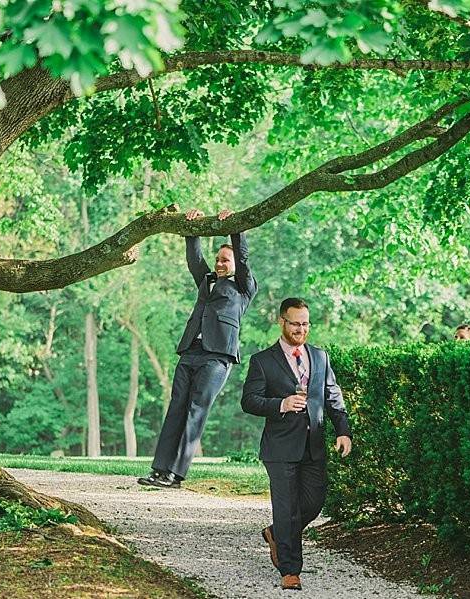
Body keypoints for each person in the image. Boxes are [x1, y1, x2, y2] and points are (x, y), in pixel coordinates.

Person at [137, 208, 257, 489]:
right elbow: (194, 261)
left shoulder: (244, 287)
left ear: (235, 264)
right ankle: (159, 469)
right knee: (176, 408)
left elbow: (242, 256)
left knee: (195, 410)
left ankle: (175, 475)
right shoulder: (206, 280)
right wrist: (192, 230)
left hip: (217, 358)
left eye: (225, 260)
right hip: (190, 350)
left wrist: (235, 228)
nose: (219, 263)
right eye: (218, 259)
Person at [241, 297, 352, 591]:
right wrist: (282, 404)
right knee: (287, 506)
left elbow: (333, 397)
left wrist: (343, 431)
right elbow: (249, 401)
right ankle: (290, 570)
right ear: (282, 322)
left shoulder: (320, 357)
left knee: (314, 503)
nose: (300, 329)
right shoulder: (262, 361)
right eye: (295, 323)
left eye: (305, 324)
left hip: (313, 445)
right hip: (279, 448)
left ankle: (277, 533)